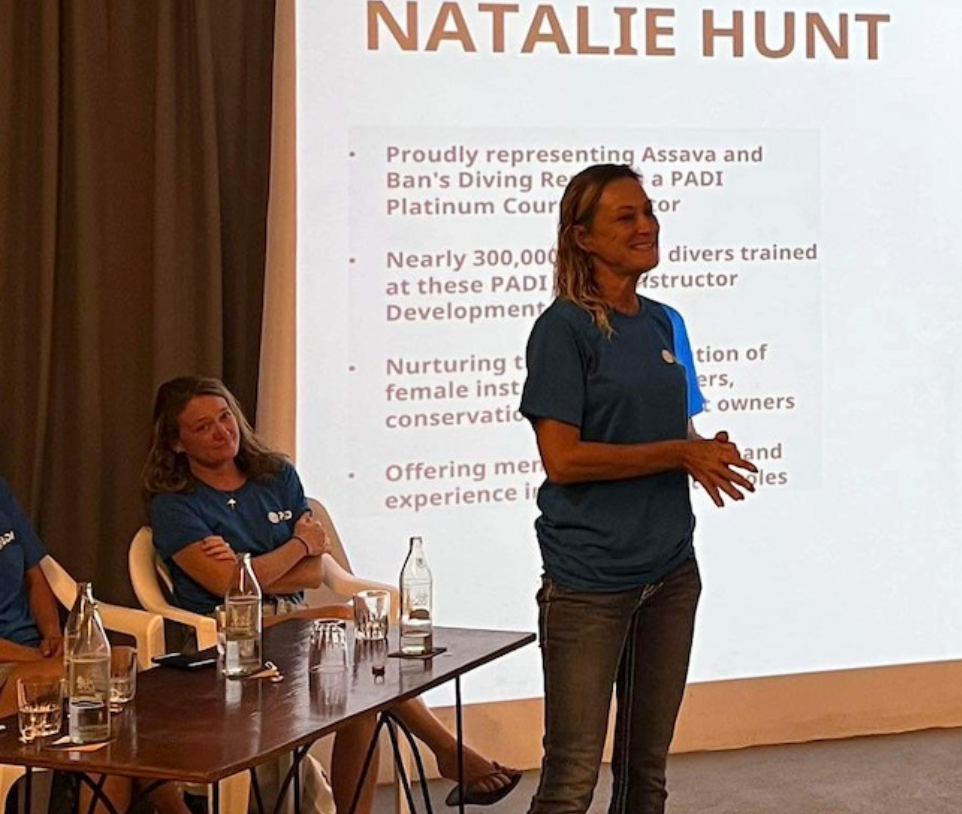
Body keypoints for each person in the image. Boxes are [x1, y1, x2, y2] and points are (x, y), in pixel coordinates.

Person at [144, 376, 520, 812]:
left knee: (363, 694)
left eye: (225, 417)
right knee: (348, 621)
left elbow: (309, 573)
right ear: (175, 443)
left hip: (291, 630)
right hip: (225, 642)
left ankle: (427, 767)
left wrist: (253, 565)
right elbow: (228, 588)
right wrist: (297, 547)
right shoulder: (175, 504)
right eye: (202, 426)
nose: (221, 431)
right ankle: (448, 750)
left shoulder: (275, 474)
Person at [521, 163, 757, 814]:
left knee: (645, 775)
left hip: (670, 571)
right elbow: (562, 460)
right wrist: (678, 452)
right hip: (590, 579)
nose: (646, 225)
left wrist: (703, 448)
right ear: (583, 237)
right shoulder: (562, 329)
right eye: (625, 216)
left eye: (649, 211)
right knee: (570, 782)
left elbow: (672, 423)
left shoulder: (662, 323)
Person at [0, 477, 65, 717]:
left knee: (122, 662)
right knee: (58, 674)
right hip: (11, 657)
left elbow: (34, 575)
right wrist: (37, 658)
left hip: (32, 647)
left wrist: (52, 634)